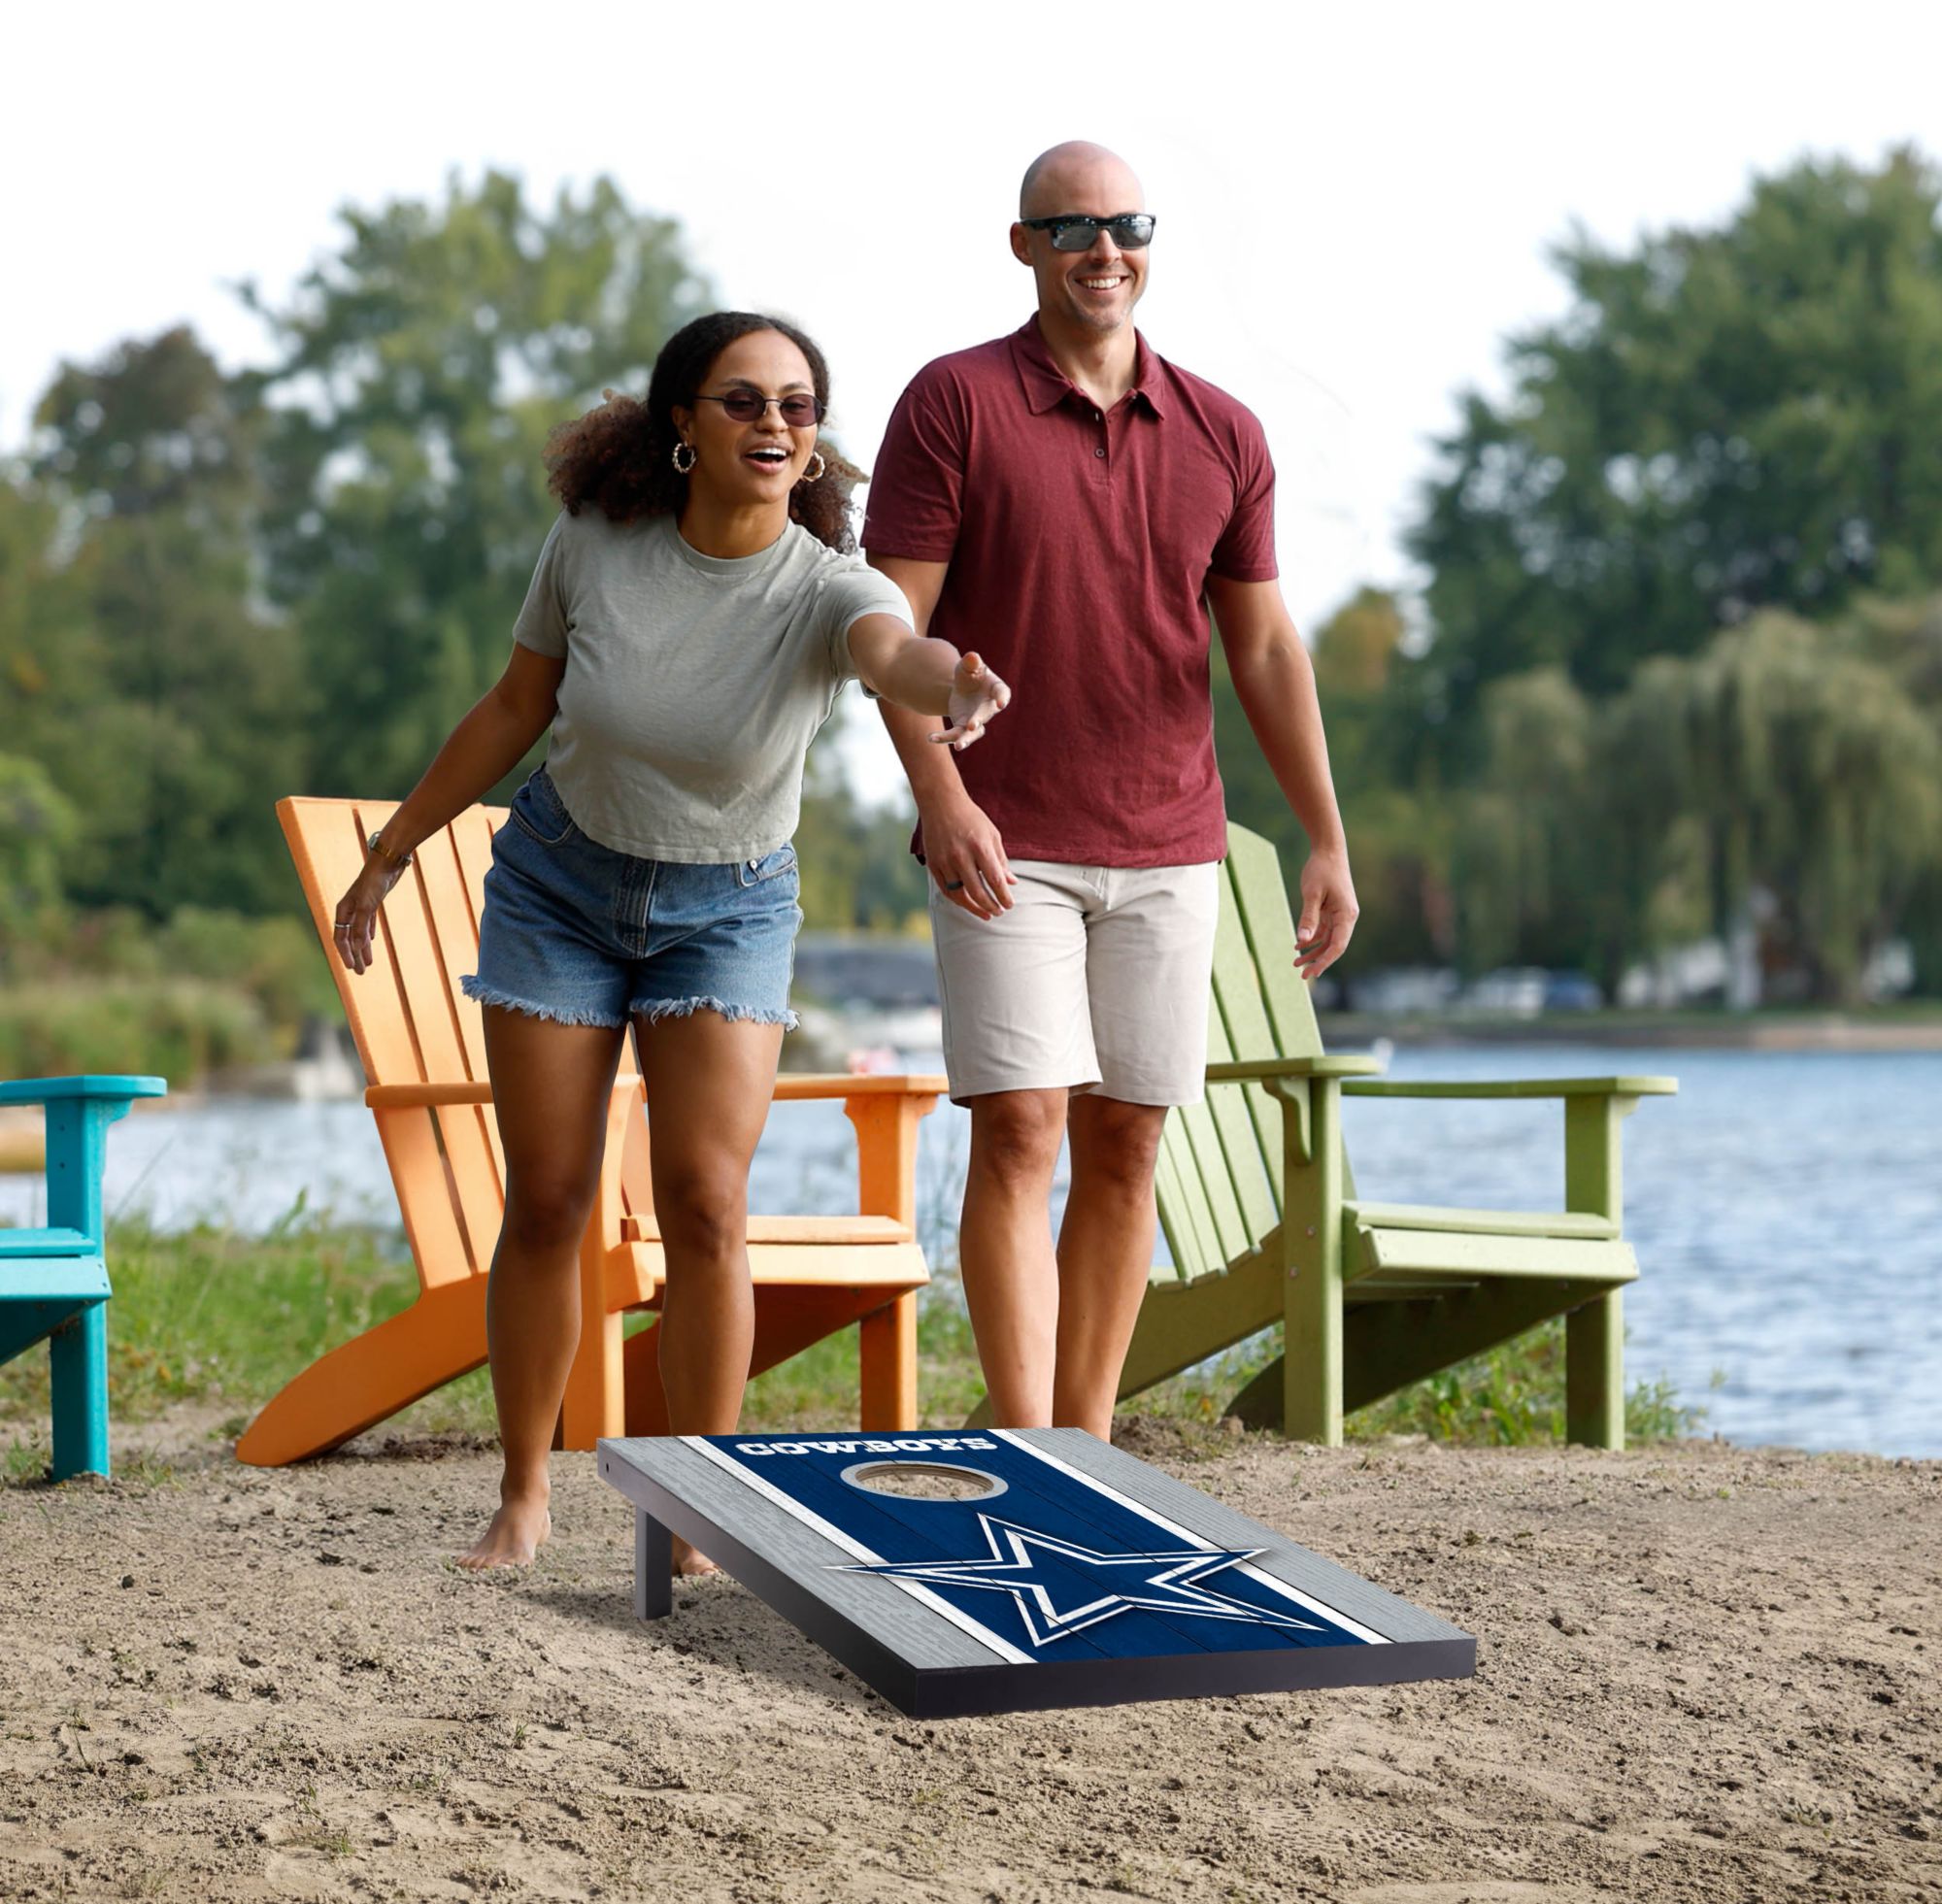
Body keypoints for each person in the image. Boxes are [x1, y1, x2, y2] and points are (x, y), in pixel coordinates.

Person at [331, 311, 1011, 1572]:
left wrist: (952, 686)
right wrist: (397, 847)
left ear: (813, 445)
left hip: (730, 909)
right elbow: (515, 706)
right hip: (559, 890)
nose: (773, 425)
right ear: (684, 427)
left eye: (797, 408)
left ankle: (703, 1513)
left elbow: (893, 656)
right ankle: (525, 1495)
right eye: (744, 401)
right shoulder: (595, 545)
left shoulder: (828, 585)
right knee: (548, 1198)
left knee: (706, 1203)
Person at [861, 142, 1356, 1438]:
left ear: (1150, 240)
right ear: (1022, 245)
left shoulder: (1222, 431)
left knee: (1128, 1141)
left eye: (1125, 224)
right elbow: (882, 633)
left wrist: (1324, 837)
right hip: (1003, 840)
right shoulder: (952, 404)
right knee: (1022, 1128)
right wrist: (940, 798)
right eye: (1070, 226)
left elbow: (1264, 647)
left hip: (1169, 842)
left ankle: (1082, 1438)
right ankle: (1025, 1441)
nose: (1102, 248)